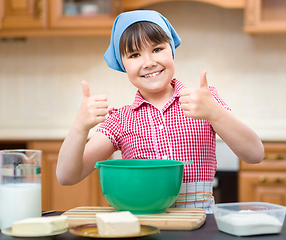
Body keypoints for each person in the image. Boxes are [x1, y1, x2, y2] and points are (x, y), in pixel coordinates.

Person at [56, 10, 264, 213]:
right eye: (135, 55)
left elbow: (255, 155)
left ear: (171, 50)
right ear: (123, 64)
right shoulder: (120, 120)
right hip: (144, 227)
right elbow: (67, 177)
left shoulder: (204, 102)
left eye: (157, 49)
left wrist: (215, 113)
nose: (149, 62)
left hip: (200, 225)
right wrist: (79, 127)